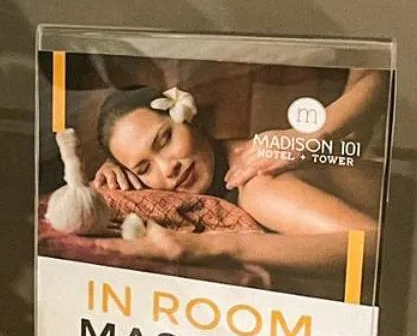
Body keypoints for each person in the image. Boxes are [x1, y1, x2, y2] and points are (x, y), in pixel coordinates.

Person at [87, 70, 387, 279]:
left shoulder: (259, 182)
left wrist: (220, 246)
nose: (168, 168)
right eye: (143, 167)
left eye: (165, 139)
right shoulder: (211, 186)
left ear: (190, 117)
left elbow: (376, 248)